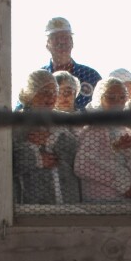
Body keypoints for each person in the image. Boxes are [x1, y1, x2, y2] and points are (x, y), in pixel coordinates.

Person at [12, 69, 80, 204]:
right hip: (30, 205)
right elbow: (5, 162)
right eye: (45, 92)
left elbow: (79, 156)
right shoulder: (15, 124)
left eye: (55, 92)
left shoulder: (66, 120)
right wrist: (36, 158)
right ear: (31, 93)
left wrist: (52, 139)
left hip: (69, 202)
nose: (51, 97)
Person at [74, 78, 131, 202]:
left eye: (122, 97)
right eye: (111, 98)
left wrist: (126, 150)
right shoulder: (93, 128)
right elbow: (82, 166)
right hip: (100, 201)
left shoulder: (127, 130)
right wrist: (120, 183)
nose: (117, 102)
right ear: (100, 99)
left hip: (126, 201)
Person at [41, 17, 101, 110]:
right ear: (47, 45)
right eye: (56, 39)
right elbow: (22, 108)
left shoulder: (91, 76)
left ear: (72, 43)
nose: (61, 42)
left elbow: (106, 108)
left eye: (65, 38)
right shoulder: (39, 78)